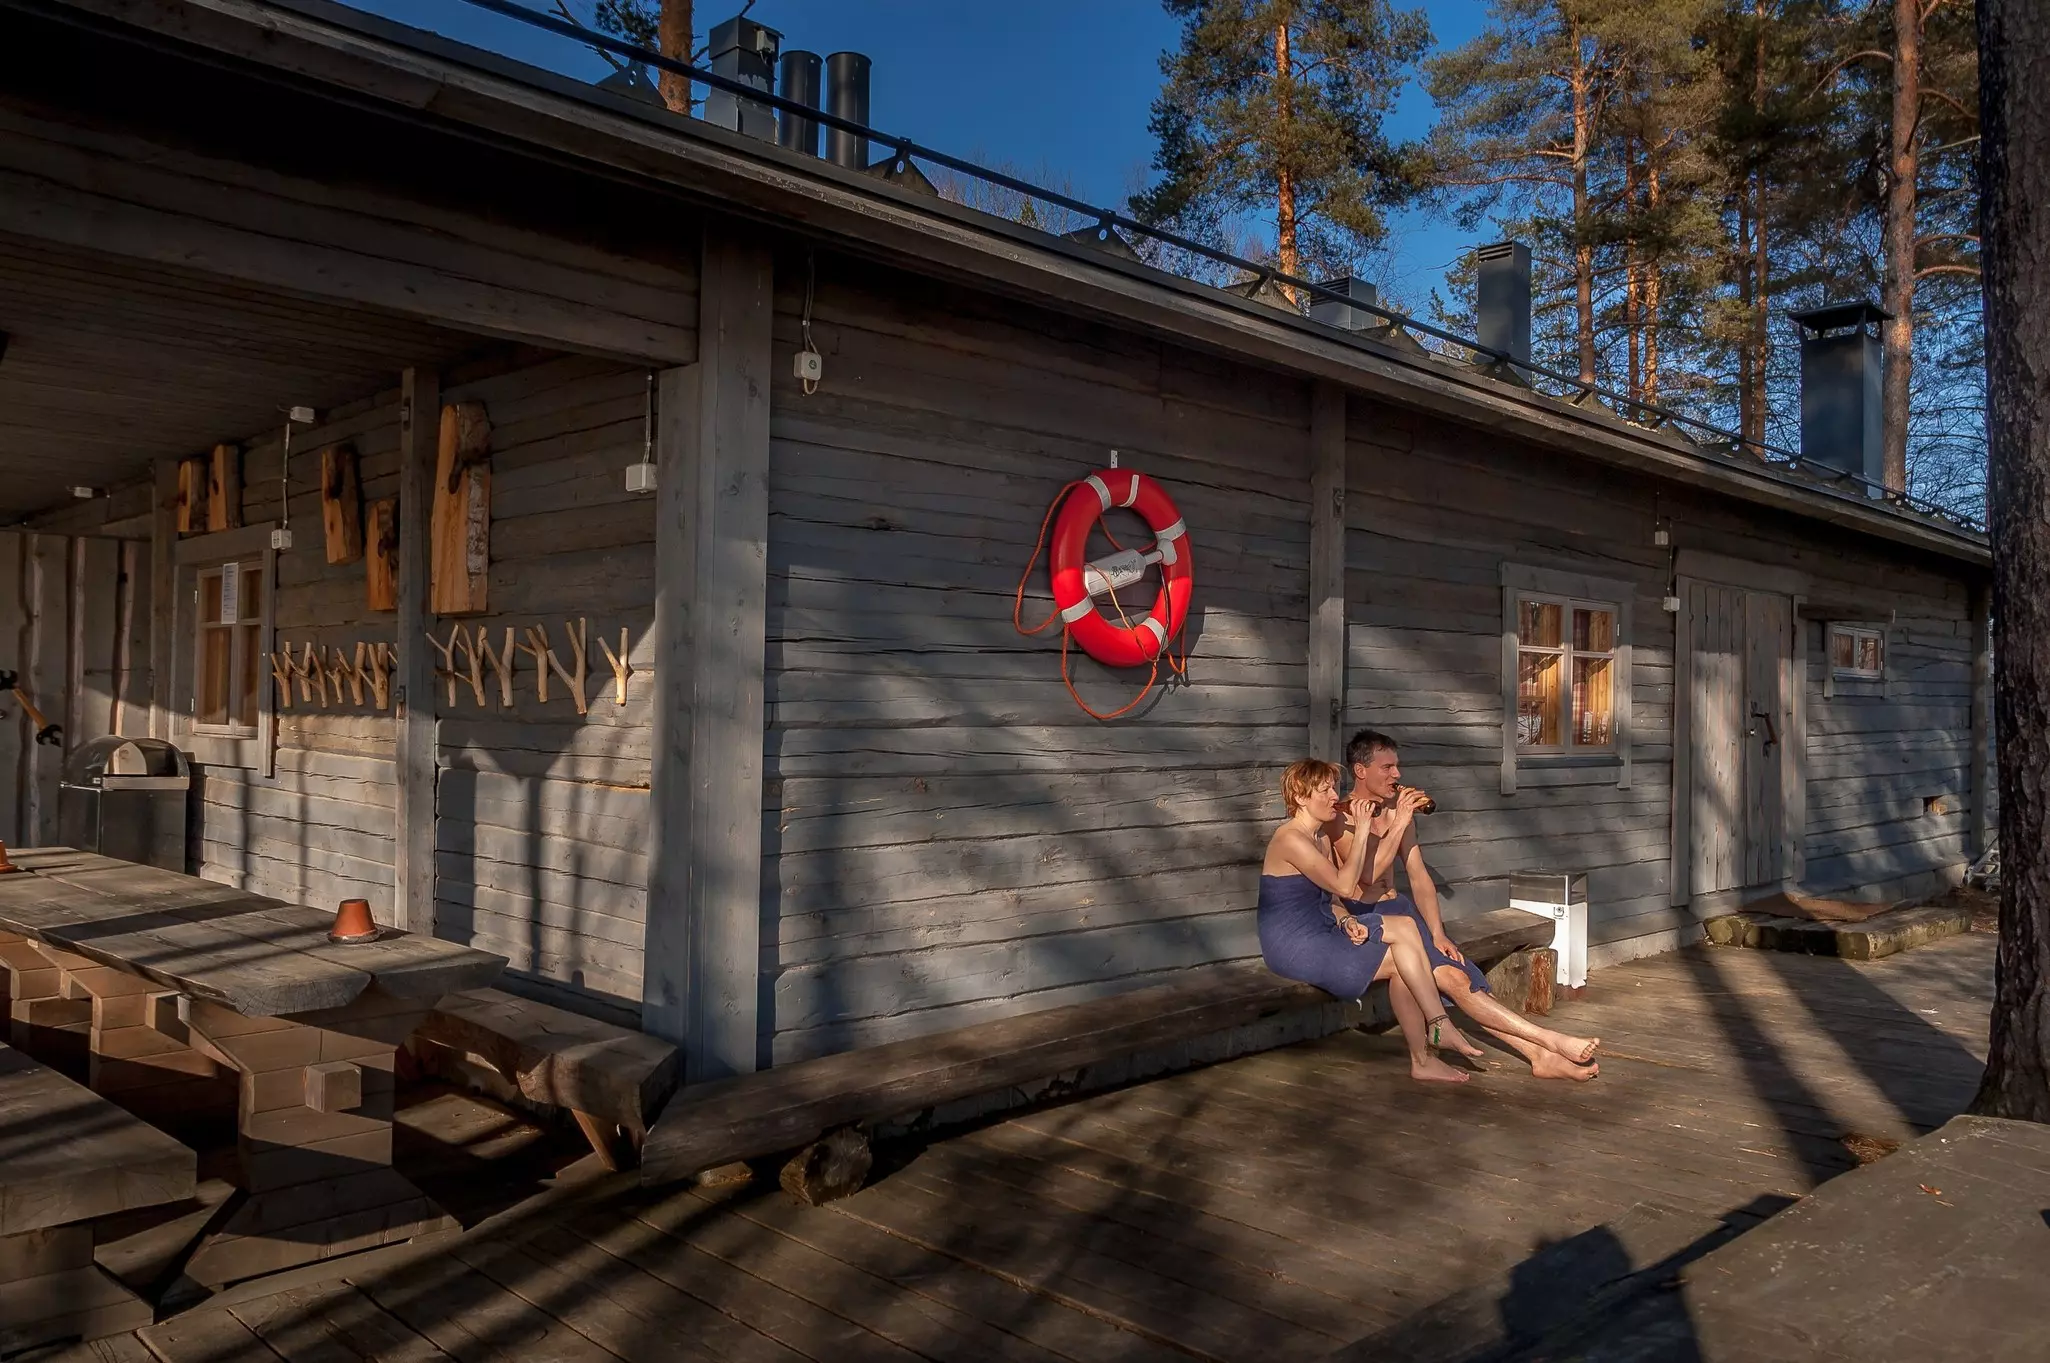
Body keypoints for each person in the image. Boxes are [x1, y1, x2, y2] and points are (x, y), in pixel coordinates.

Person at [1333, 729, 1601, 1082]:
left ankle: (1540, 1055)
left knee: (1459, 975)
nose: (1397, 775)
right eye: (1387, 767)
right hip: (1366, 921)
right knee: (1451, 978)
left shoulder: (1395, 812)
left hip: (1402, 912)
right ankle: (1546, 1043)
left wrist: (1438, 932)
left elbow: (1418, 877)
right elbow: (1363, 880)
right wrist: (1398, 824)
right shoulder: (1342, 815)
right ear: (1361, 770)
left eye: (1397, 766)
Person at [1258, 759, 1474, 1084]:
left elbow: (1332, 898)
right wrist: (1361, 829)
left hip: (1324, 930)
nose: (1335, 795)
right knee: (1404, 957)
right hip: (1293, 945)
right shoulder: (1290, 839)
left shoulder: (1319, 837)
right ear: (1301, 797)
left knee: (1405, 928)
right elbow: (1347, 885)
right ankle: (1434, 1033)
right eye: (1325, 789)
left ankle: (1431, 1040)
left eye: (1333, 787)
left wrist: (1346, 921)